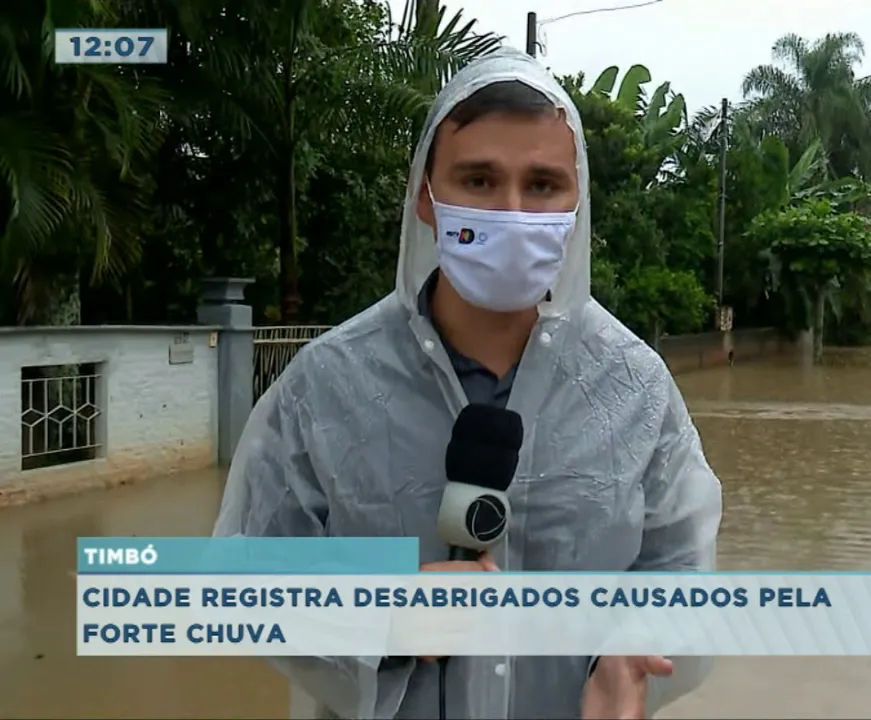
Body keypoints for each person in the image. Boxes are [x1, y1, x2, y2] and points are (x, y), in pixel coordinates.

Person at [211, 47, 723, 720]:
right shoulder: (326, 385)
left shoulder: (636, 388)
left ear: (576, 205)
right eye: (479, 180)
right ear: (425, 196)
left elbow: (682, 571)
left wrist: (632, 650)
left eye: (542, 185)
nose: (511, 211)